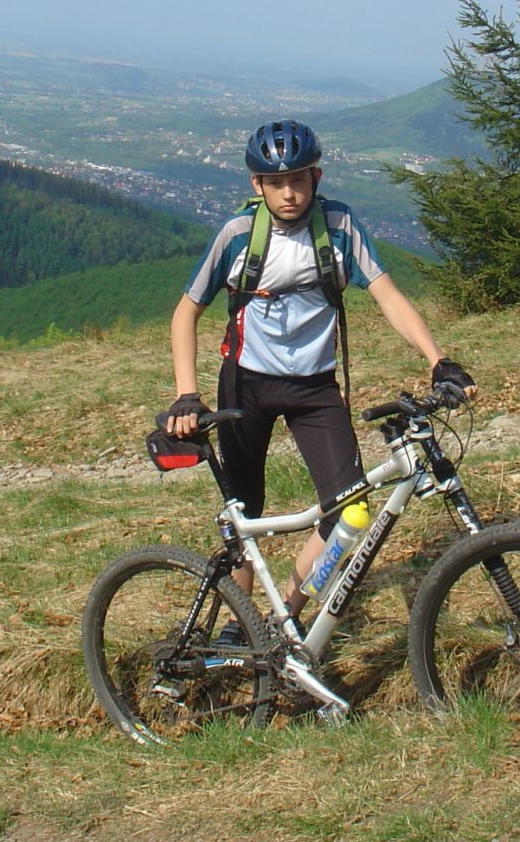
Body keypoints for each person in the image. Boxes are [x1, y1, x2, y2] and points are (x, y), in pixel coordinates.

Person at [166, 118, 475, 633]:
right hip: (244, 386)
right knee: (245, 512)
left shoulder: (339, 225)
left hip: (314, 387)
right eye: (275, 182)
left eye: (298, 180)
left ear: (317, 177)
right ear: (256, 184)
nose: (288, 194)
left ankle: (284, 619)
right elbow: (186, 312)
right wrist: (186, 395)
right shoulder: (238, 235)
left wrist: (437, 359)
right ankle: (239, 626)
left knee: (349, 510)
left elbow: (388, 295)